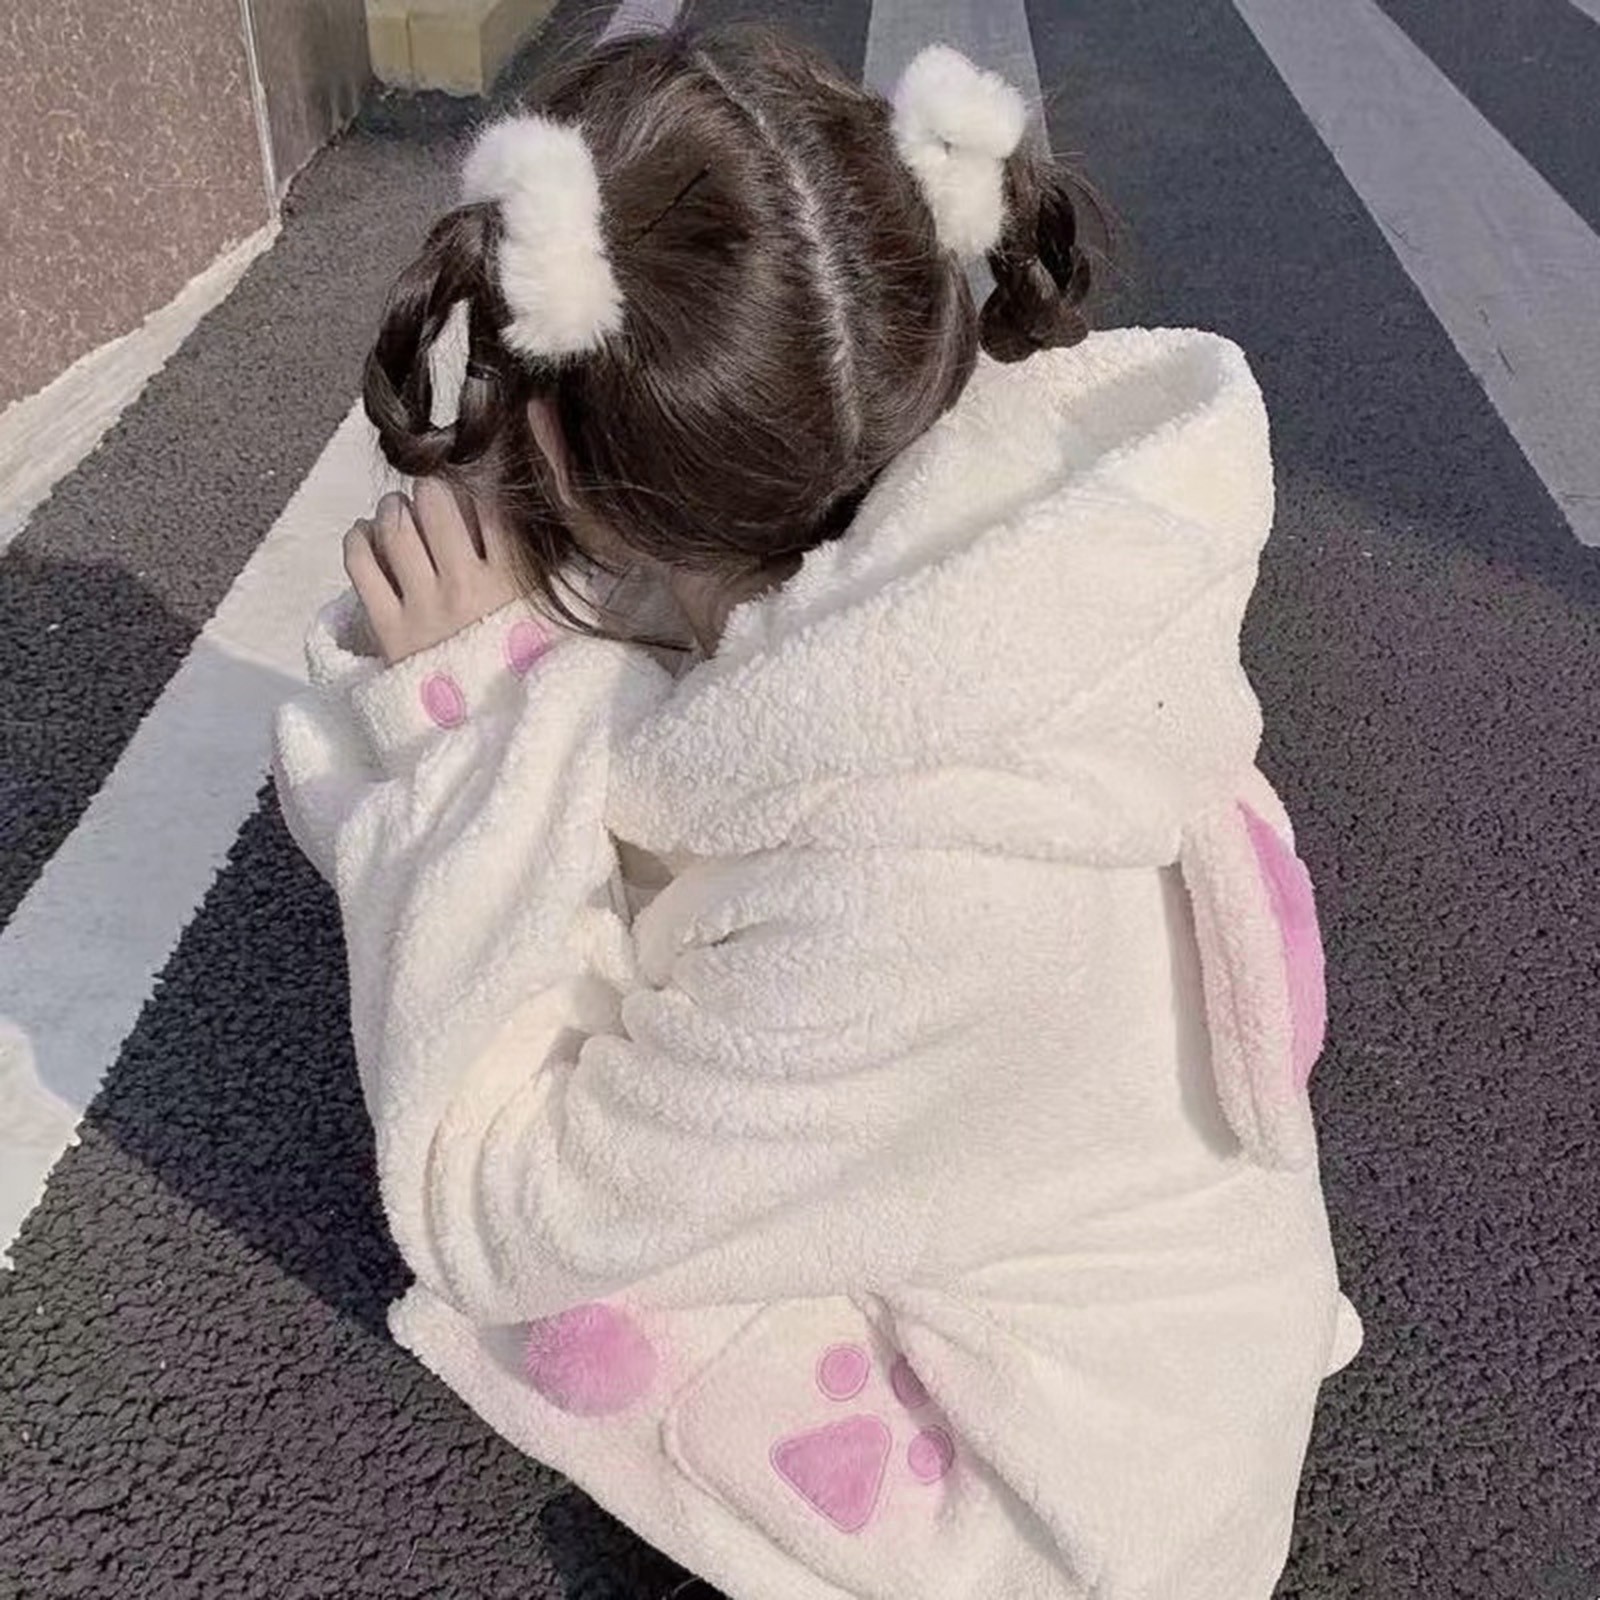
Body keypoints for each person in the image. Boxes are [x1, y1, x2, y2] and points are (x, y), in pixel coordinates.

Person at [274, 24, 1361, 1600]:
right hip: (1173, 1341)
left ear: (567, 451)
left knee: (563, 1272)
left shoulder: (905, 878)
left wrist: (477, 731)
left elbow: (498, 1211)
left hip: (1063, 1504)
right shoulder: (993, 545)